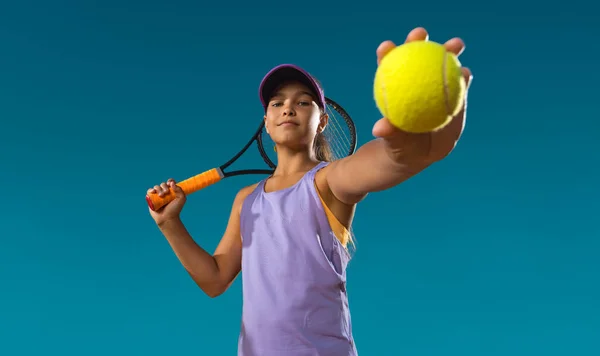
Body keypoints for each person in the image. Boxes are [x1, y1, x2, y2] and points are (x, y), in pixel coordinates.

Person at [147, 27, 473, 356]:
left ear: (321, 122)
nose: (288, 108)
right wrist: (169, 224)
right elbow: (215, 280)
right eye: (278, 103)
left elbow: (386, 161)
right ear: (266, 121)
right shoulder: (246, 199)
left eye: (303, 102)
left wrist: (416, 150)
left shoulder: (329, 181)